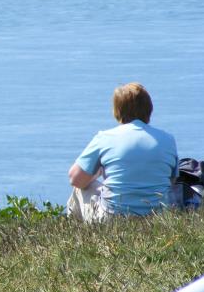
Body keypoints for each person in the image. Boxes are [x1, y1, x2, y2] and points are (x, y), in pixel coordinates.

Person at [66, 82, 178, 222]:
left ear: (117, 111)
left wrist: (98, 172)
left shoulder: (105, 138)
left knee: (79, 189)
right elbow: (172, 181)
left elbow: (75, 179)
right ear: (149, 110)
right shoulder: (168, 139)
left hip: (113, 219)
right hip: (158, 219)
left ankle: (76, 236)